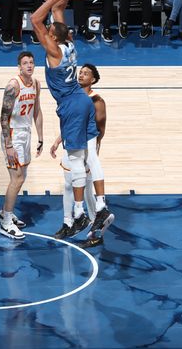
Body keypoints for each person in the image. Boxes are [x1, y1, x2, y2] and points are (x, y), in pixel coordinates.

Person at [29, 0, 113, 242]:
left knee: (76, 162)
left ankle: (82, 212)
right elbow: (56, 13)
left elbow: (35, 20)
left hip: (71, 105)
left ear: (53, 36)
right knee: (90, 159)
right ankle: (96, 207)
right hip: (81, 101)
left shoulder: (55, 51)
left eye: (49, 32)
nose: (46, 32)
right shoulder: (69, 44)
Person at [51, 63, 111, 248]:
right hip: (71, 146)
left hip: (84, 149)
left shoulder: (97, 100)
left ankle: (96, 229)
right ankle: (68, 222)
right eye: (81, 72)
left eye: (86, 73)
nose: (81, 75)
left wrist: (92, 153)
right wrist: (58, 140)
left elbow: (99, 130)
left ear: (93, 79)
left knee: (86, 191)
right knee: (68, 185)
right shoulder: (72, 95)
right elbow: (70, 122)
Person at [0, 51, 44, 240]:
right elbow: (3, 117)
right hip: (13, 135)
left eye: (32, 62)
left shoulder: (36, 84)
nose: (29, 66)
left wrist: (40, 138)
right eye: (25, 63)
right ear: (19, 66)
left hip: (26, 134)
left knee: (22, 176)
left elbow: (37, 111)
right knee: (16, 179)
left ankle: (4, 212)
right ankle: (6, 223)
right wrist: (8, 145)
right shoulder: (13, 86)